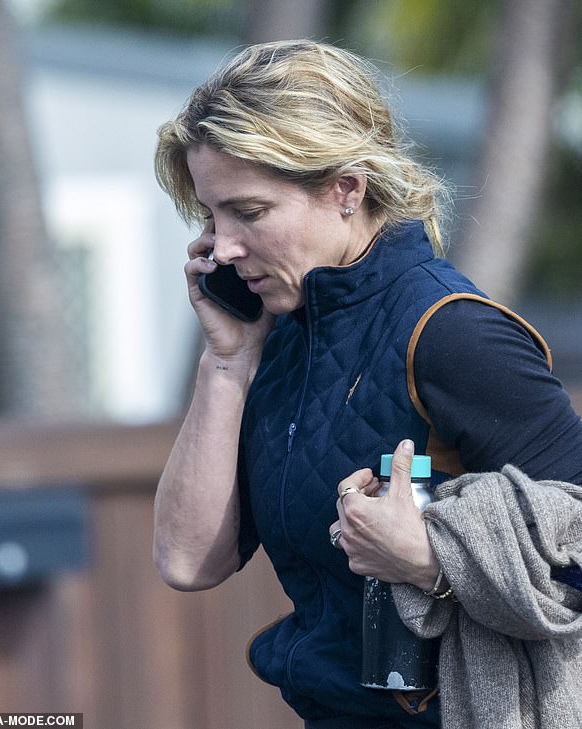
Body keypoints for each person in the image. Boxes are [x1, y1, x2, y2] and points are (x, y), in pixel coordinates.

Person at [153, 40, 582, 729]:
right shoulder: (281, 334)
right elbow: (186, 558)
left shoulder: (452, 333)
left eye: (250, 212)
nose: (223, 247)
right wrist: (228, 363)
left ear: (346, 189)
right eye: (212, 215)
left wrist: (432, 559)